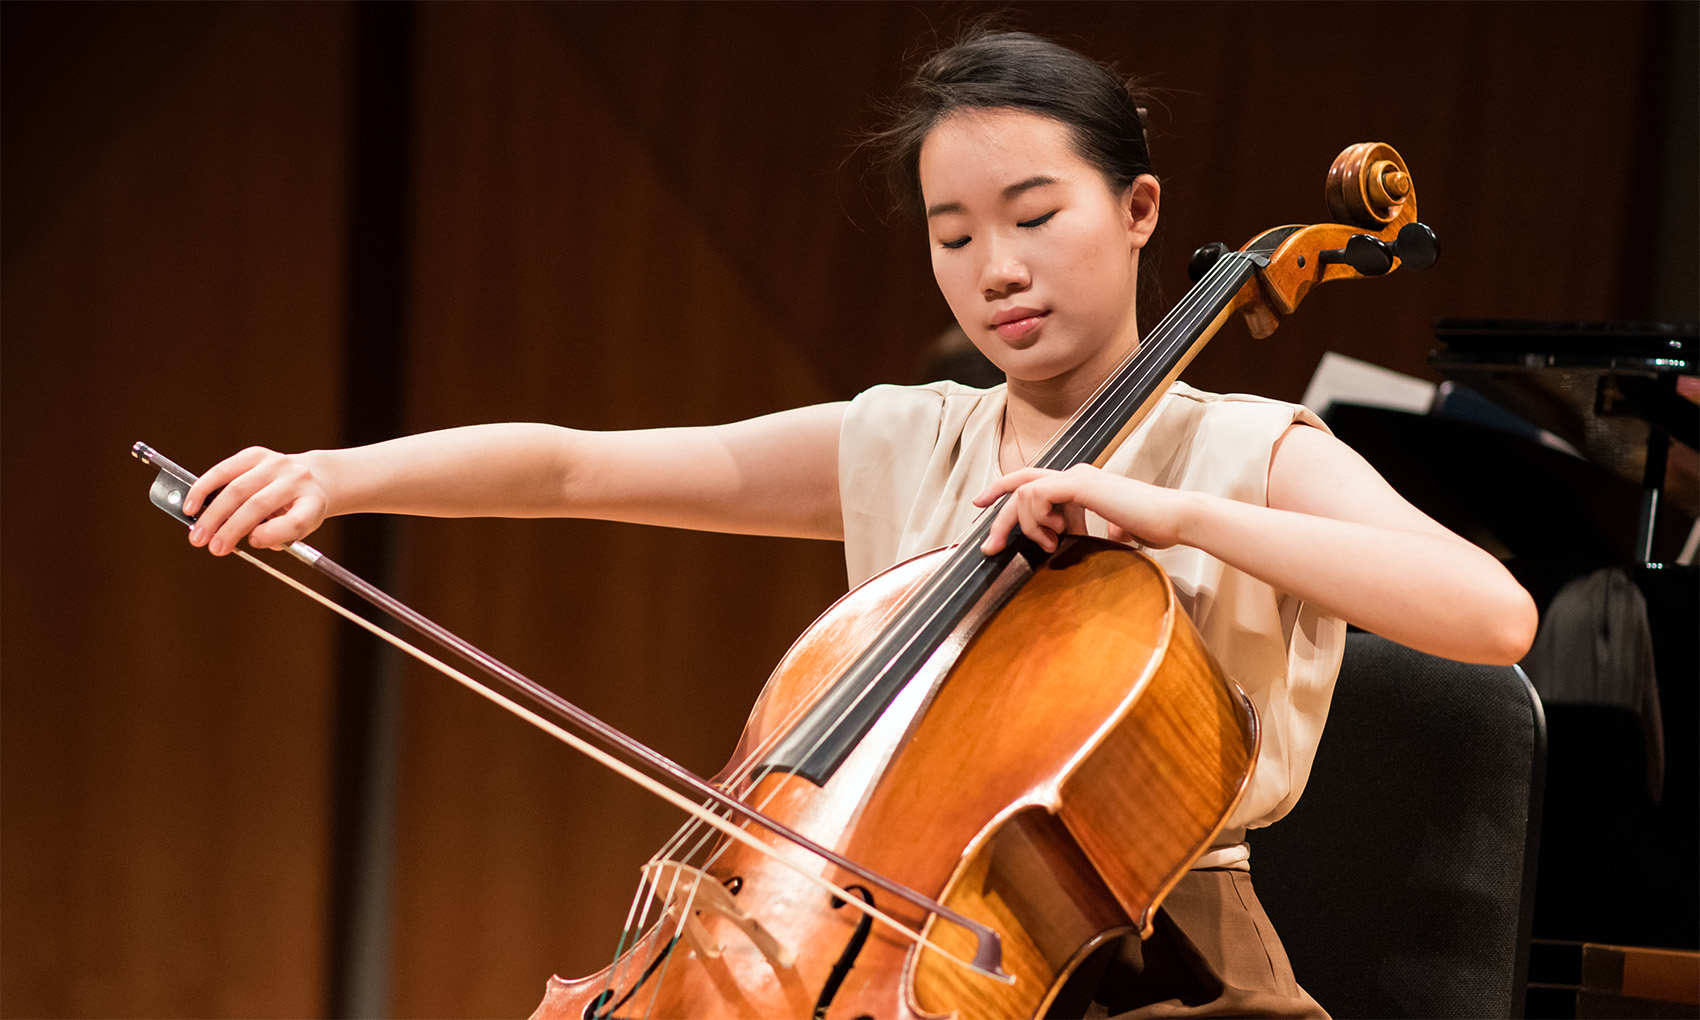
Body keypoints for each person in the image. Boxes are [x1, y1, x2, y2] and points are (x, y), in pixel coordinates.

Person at [183, 29, 1537, 1018]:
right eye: (952, 235)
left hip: (1167, 975)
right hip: (891, 941)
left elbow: (1491, 615)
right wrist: (338, 474)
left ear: (1137, 213)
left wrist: (1160, 507)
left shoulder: (1238, 449)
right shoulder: (912, 438)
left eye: (1033, 214)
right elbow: (579, 466)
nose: (994, 268)